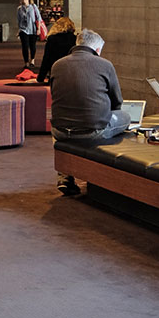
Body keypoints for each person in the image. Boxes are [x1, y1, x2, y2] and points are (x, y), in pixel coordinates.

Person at [49, 28, 131, 195]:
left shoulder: (57, 65)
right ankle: (105, 174)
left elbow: (55, 94)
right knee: (126, 117)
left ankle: (65, 176)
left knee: (67, 126)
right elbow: (118, 101)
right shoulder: (105, 64)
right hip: (93, 130)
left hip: (60, 130)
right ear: (98, 50)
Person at [35, 16, 76, 85]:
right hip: (71, 73)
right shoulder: (75, 39)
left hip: (56, 72)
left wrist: (40, 78)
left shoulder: (52, 39)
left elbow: (46, 60)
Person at [16, 0, 41, 68]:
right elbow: (19, 20)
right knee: (25, 46)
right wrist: (19, 30)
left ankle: (32, 60)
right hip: (23, 30)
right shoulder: (19, 9)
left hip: (32, 29)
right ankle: (26, 62)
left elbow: (38, 18)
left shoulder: (33, 7)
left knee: (32, 46)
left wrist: (38, 29)